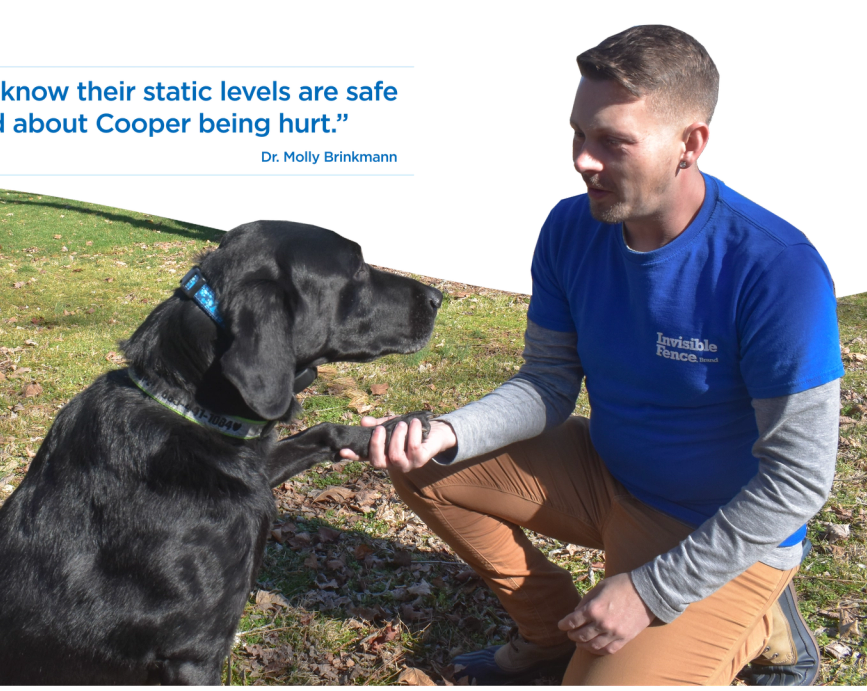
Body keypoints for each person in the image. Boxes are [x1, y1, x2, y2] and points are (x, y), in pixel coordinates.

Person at [339, 23, 841, 686]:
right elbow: (548, 384)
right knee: (429, 462)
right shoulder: (571, 226)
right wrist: (447, 432)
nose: (583, 161)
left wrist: (652, 591)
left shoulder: (776, 269)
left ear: (692, 144)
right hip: (610, 476)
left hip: (714, 530)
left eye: (613, 141)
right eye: (578, 134)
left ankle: (762, 617)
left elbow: (798, 480)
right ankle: (551, 632)